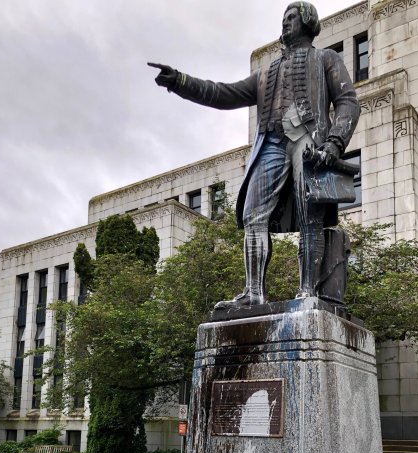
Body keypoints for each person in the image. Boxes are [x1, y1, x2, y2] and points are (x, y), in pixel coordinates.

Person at [149, 2, 360, 307]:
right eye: (283, 18)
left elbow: (348, 102)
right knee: (253, 215)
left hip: (309, 143)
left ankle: (307, 292)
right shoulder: (266, 73)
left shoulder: (325, 58)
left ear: (307, 22)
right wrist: (180, 81)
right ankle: (253, 293)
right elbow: (222, 93)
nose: (285, 23)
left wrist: (334, 143)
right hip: (272, 144)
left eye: (291, 18)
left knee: (309, 219)